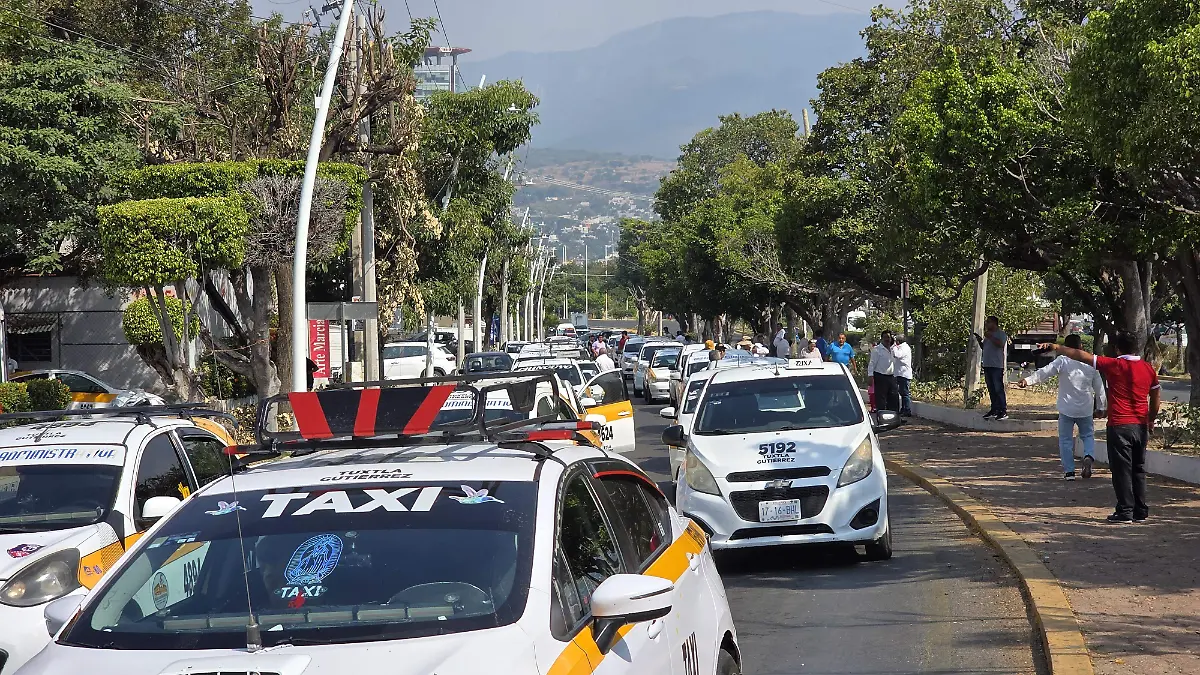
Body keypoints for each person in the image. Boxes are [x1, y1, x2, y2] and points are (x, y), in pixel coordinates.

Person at [1039, 331, 1160, 523]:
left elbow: (1082, 356)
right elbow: (1155, 397)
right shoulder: (1148, 368)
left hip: (1119, 426)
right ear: (1136, 348)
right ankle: (1140, 511)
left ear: (1117, 349)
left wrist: (1056, 347)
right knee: (1138, 469)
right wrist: (1151, 419)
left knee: (1121, 470)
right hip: (1140, 426)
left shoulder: (1114, 365)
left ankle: (1125, 511)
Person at [1018, 335, 1107, 481]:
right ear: (1081, 346)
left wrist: (1027, 381)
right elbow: (1099, 388)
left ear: (1065, 347)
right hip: (1085, 409)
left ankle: (1069, 472)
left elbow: (1044, 372)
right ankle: (1088, 456)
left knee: (1065, 440)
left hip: (1066, 409)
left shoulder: (1062, 361)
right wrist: (1102, 407)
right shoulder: (1090, 363)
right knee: (1087, 436)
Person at [975, 316, 1009, 421]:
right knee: (991, 389)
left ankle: (1003, 411)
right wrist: (980, 341)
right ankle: (994, 409)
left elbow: (1000, 344)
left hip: (996, 366)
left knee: (998, 388)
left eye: (988, 322)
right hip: (987, 365)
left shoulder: (1000, 334)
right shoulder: (988, 335)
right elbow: (985, 347)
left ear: (994, 323)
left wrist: (990, 337)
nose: (986, 324)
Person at [868, 331, 900, 412]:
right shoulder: (877, 350)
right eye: (885, 337)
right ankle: (881, 416)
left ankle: (893, 416)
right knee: (881, 399)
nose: (887, 339)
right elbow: (872, 363)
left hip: (892, 377)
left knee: (894, 398)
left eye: (889, 337)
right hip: (880, 377)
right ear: (882, 338)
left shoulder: (893, 349)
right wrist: (870, 376)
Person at [892, 335, 914, 417]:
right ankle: (903, 409)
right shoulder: (901, 347)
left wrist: (894, 345)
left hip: (903, 374)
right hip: (900, 373)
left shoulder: (904, 348)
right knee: (902, 393)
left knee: (905, 393)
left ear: (898, 341)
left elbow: (897, 355)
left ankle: (907, 410)